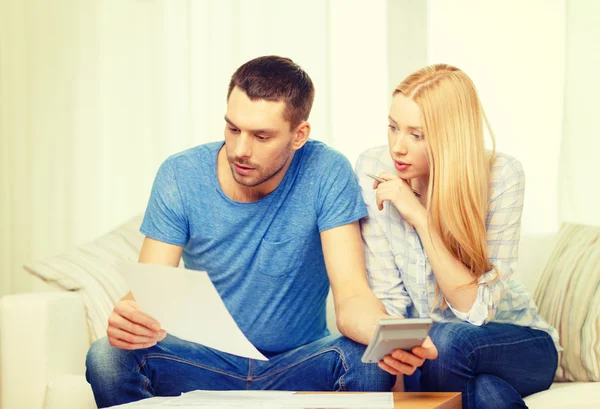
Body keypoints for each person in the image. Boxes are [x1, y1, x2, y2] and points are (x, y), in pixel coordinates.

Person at [85, 56, 437, 408]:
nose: (240, 150)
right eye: (233, 129)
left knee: (368, 362)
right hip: (204, 363)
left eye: (261, 136)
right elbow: (150, 291)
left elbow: (352, 297)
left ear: (299, 135)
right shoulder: (180, 174)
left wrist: (390, 337)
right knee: (107, 356)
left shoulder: (327, 171)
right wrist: (129, 316)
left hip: (299, 363)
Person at [355, 64, 560, 409]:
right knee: (484, 393)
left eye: (416, 135)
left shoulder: (502, 176)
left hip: (519, 343)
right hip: (436, 357)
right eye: (392, 127)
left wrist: (419, 217)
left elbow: (475, 310)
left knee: (449, 339)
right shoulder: (372, 167)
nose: (397, 147)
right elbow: (389, 300)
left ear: (450, 137)